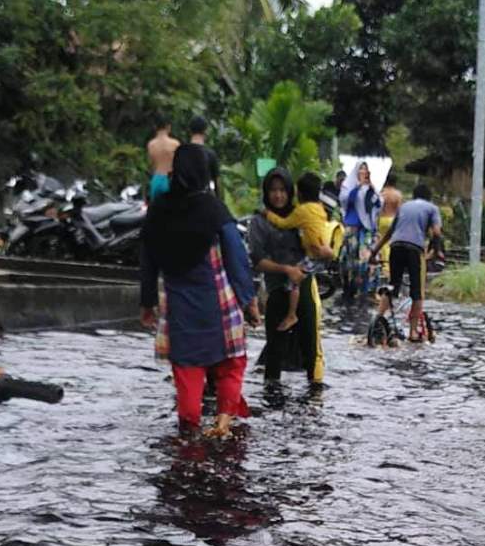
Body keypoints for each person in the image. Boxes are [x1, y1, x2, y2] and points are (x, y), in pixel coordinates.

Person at [140, 144, 260, 436]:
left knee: (187, 373)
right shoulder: (213, 210)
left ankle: (190, 427)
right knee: (230, 365)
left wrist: (147, 302)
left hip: (179, 312)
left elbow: (147, 258)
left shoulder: (159, 210)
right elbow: (236, 258)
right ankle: (223, 421)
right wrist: (249, 301)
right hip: (218, 307)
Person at [248, 168, 327, 390]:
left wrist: (324, 251)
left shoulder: (301, 215)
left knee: (310, 347)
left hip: (304, 288)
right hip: (275, 291)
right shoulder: (259, 221)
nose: (278, 195)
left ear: (290, 192)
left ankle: (314, 401)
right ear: (266, 193)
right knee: (274, 351)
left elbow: (316, 245)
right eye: (273, 190)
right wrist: (285, 269)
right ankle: (272, 399)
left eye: (283, 190)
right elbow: (257, 260)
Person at [261, 172, 342, 332]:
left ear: (299, 193)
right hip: (322, 253)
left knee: (293, 281)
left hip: (314, 256)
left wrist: (267, 214)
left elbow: (283, 224)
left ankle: (291, 315)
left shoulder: (302, 211)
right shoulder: (319, 209)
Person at [370, 184, 442, 342]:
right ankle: (413, 332)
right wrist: (436, 252)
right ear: (429, 197)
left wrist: (374, 253)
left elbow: (389, 233)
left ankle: (377, 320)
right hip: (414, 249)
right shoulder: (432, 208)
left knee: (392, 286)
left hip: (395, 246)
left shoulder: (404, 207)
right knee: (417, 292)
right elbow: (436, 233)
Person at [339, 161, 382, 295]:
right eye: (361, 169)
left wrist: (372, 188)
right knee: (349, 259)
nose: (363, 172)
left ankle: (366, 287)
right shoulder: (348, 186)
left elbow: (377, 204)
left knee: (366, 259)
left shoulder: (370, 189)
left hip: (367, 229)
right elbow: (346, 201)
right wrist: (358, 186)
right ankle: (349, 287)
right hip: (353, 228)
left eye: (366, 169)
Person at [147, 115, 180, 203]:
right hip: (170, 180)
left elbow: (151, 165)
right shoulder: (175, 144)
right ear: (168, 127)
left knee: (156, 211)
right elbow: (179, 165)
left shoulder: (151, 145)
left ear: (155, 127)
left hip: (156, 179)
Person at [188, 115, 222, 199]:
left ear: (190, 131)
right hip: (205, 198)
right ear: (205, 131)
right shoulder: (210, 154)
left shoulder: (182, 153)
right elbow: (217, 182)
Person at [378, 172, 404, 276]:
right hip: (393, 219)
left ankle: (384, 267)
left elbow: (377, 209)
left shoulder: (381, 193)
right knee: (392, 243)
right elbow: (400, 210)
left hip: (383, 219)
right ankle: (391, 267)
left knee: (382, 243)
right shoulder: (398, 194)